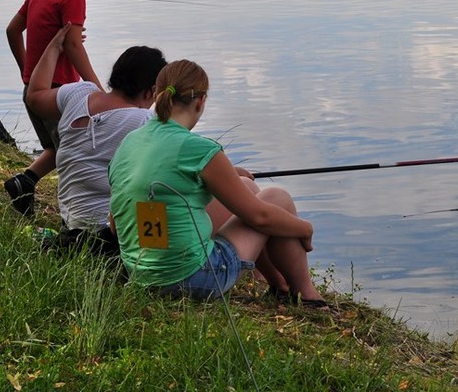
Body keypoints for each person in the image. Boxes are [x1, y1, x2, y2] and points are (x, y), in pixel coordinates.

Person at [108, 60, 328, 308]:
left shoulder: (129, 142)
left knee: (246, 187)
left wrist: (230, 175)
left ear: (157, 95)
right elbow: (261, 218)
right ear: (200, 102)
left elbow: (116, 225)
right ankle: (307, 295)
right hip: (196, 280)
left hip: (141, 278)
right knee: (277, 198)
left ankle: (279, 285)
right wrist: (305, 229)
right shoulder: (198, 148)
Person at [26, 24, 166, 256]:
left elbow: (35, 96)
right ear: (151, 90)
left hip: (72, 228)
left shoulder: (78, 95)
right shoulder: (144, 121)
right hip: (113, 238)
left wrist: (53, 48)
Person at [4, 0, 110, 217]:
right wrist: (97, 90)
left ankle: (24, 182)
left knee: (56, 147)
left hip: (34, 90)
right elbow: (73, 46)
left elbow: (12, 30)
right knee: (74, 153)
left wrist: (27, 72)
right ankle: (73, 218)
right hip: (59, 94)